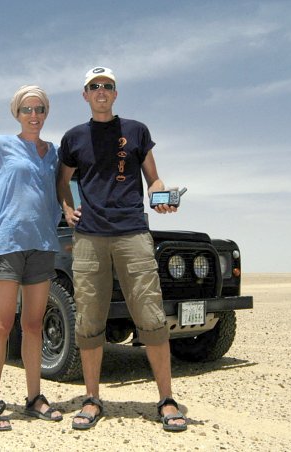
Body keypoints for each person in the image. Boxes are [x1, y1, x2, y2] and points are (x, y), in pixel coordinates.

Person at [56, 67, 188, 432]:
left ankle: (166, 399)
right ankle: (92, 399)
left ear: (116, 93)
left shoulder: (136, 131)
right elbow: (62, 180)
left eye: (107, 86)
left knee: (150, 315)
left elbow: (153, 177)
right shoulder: (73, 138)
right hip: (89, 238)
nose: (101, 91)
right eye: (94, 86)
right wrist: (67, 207)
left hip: (132, 233)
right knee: (89, 319)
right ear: (84, 94)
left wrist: (159, 195)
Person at [0, 85, 63, 431]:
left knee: (33, 325)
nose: (34, 116)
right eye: (26, 110)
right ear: (17, 114)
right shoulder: (2, 146)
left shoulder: (54, 154)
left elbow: (60, 192)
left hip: (42, 246)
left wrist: (57, 218)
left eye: (39, 109)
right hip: (6, 243)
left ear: (46, 113)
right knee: (2, 324)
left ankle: (34, 397)